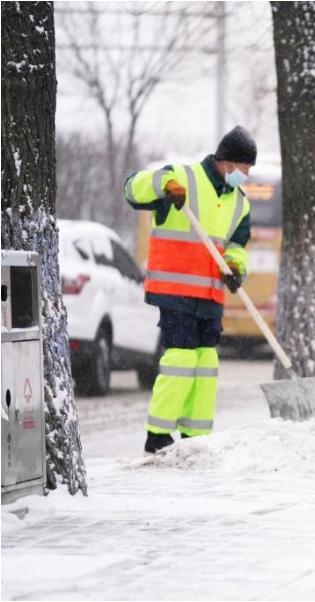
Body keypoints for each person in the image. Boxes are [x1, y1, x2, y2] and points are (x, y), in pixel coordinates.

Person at [124, 126, 255, 454]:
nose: (246, 176)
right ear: (226, 162)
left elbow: (236, 245)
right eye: (244, 169)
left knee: (206, 362)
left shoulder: (240, 204)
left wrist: (237, 268)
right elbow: (133, 187)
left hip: (210, 293)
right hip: (175, 288)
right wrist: (165, 186)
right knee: (180, 359)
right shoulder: (183, 177)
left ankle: (196, 437)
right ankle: (158, 435)